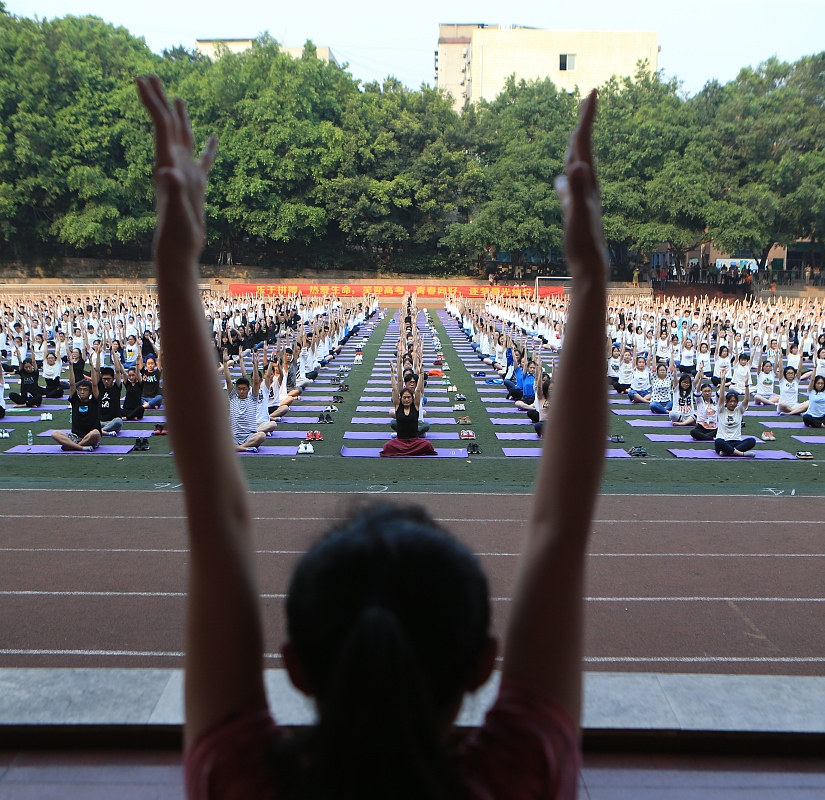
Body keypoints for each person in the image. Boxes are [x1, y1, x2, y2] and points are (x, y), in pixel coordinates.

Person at [138, 74, 606, 797]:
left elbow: (214, 509)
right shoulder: (520, 776)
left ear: (294, 668)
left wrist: (176, 259)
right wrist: (590, 272)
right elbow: (560, 524)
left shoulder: (244, 780)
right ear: (485, 664)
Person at [50, 353, 103, 451]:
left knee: (96, 433)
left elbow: (95, 385)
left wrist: (92, 366)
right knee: (54, 434)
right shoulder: (75, 401)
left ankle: (73, 446)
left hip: (90, 436)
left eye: (85, 389)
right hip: (75, 436)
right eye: (80, 389)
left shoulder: (94, 402)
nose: (82, 392)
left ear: (90, 391)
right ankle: (80, 447)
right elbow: (72, 385)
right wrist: (71, 366)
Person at [714, 381, 756, 457]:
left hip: (736, 441)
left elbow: (746, 399)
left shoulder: (739, 410)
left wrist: (746, 385)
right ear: (726, 401)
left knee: (752, 441)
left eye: (734, 401)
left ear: (737, 402)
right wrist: (723, 381)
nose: (732, 403)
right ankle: (740, 453)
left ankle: (727, 452)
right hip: (724, 441)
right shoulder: (721, 410)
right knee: (718, 441)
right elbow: (721, 397)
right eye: (730, 401)